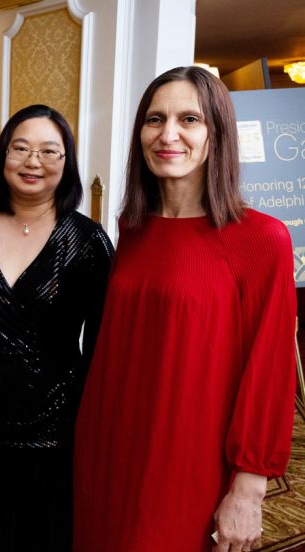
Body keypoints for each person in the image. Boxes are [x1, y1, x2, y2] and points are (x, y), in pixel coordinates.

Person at [73, 66, 297, 552]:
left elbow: (269, 372)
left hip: (187, 461)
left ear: (216, 133)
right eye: (155, 119)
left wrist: (249, 486)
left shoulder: (261, 239)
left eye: (189, 119)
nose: (168, 134)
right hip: (108, 446)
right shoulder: (132, 229)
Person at [0, 104, 113, 551]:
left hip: (58, 427)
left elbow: (101, 345)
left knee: (47, 538)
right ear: (3, 156)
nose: (33, 162)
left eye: (49, 151)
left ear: (67, 162)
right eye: (20, 148)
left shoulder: (89, 241)